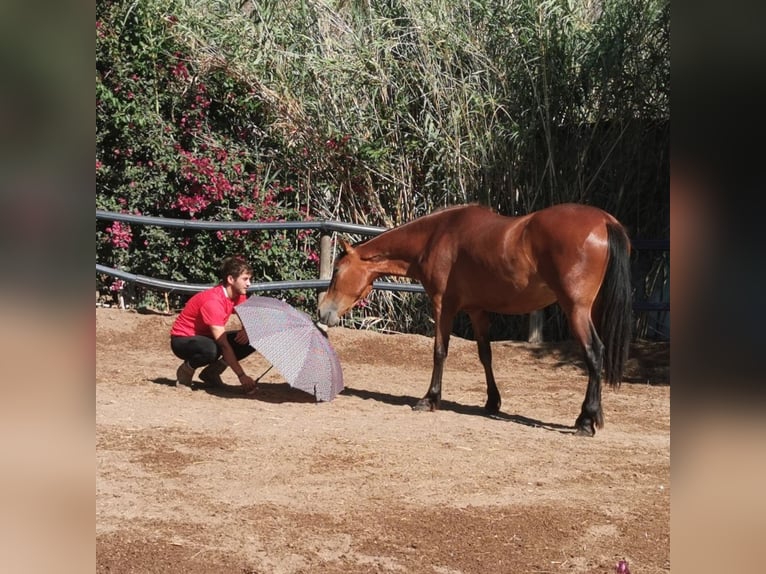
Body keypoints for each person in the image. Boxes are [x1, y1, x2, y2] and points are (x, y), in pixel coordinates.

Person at [170, 256, 257, 391]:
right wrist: (241, 376)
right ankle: (185, 371)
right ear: (230, 280)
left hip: (207, 337)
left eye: (249, 279)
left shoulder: (239, 295)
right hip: (182, 340)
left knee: (252, 337)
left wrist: (246, 329)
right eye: (245, 279)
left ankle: (211, 373)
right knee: (212, 350)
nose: (249, 284)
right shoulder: (213, 302)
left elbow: (247, 319)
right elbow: (223, 344)